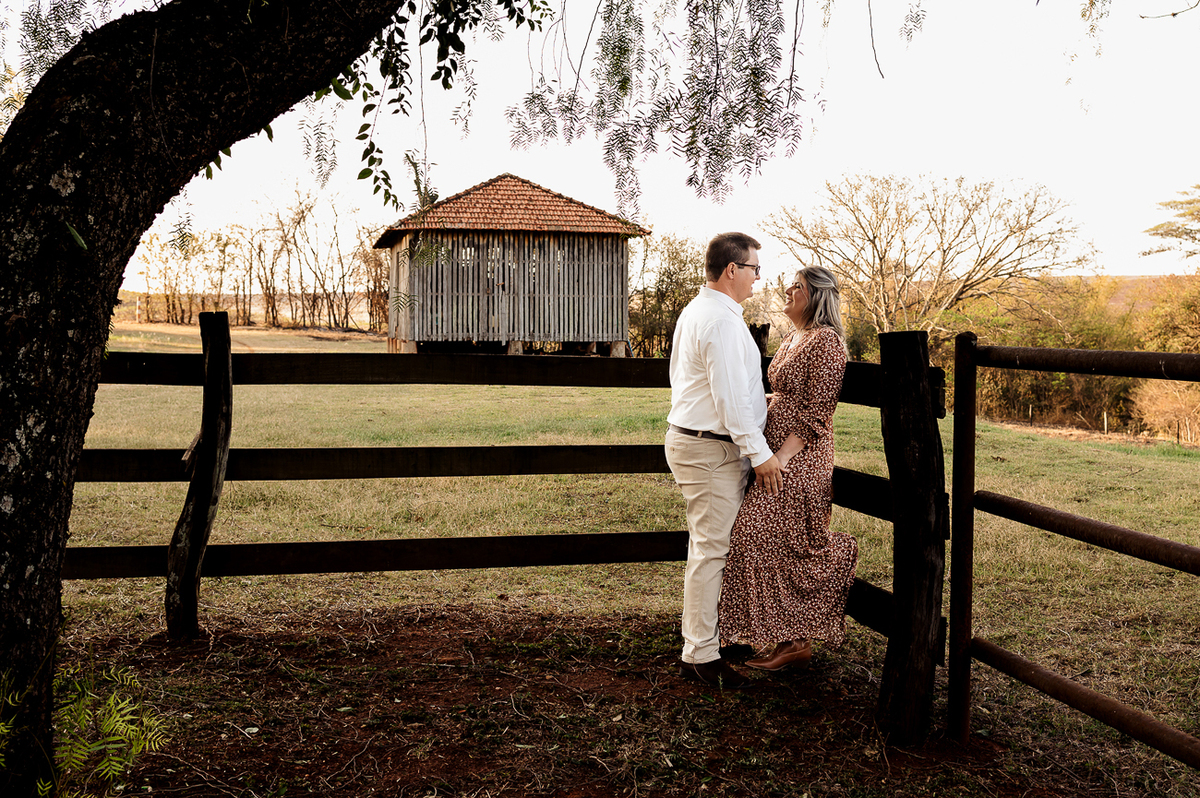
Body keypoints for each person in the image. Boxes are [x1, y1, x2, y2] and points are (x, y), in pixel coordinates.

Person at [717, 266, 857, 673]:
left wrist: (781, 457)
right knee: (762, 538)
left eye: (797, 286)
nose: (787, 290)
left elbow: (818, 413)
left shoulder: (827, 342)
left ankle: (797, 636)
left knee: (766, 534)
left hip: (800, 459)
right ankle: (784, 638)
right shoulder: (795, 337)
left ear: (817, 295)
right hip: (775, 454)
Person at [665, 232, 783, 689]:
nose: (758, 278)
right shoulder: (720, 321)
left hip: (701, 440)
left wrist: (758, 400)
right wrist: (760, 453)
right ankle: (699, 653)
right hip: (710, 448)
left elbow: (725, 388)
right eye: (755, 268)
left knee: (710, 547)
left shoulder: (703, 312)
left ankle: (712, 638)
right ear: (732, 269)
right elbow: (729, 397)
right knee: (711, 550)